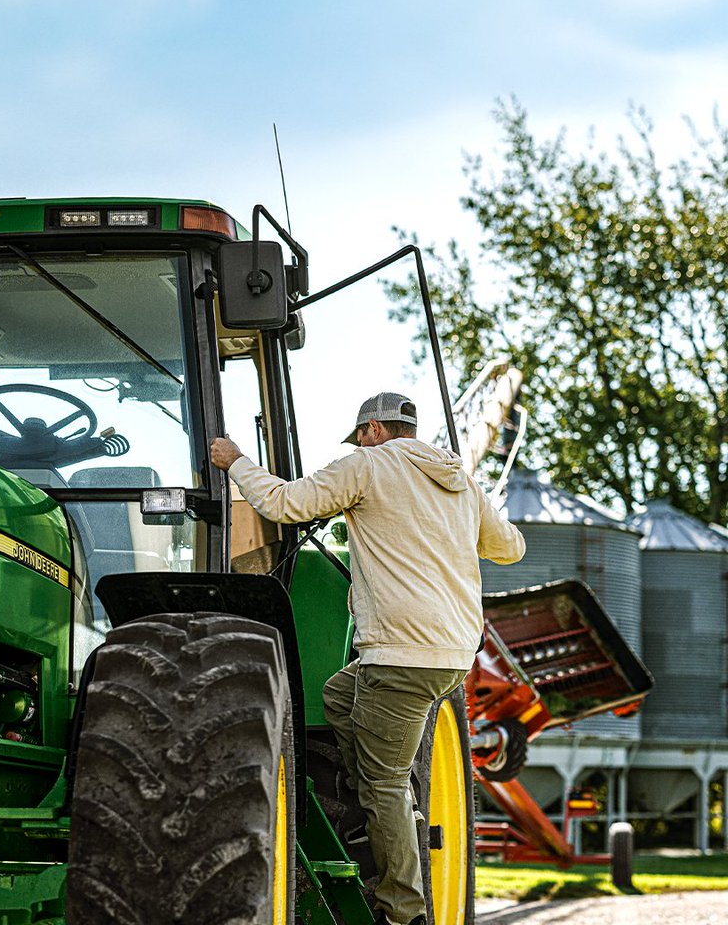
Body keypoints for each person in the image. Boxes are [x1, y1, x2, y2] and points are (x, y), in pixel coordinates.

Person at [210, 391, 525, 925]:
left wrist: (235, 460)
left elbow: (286, 504)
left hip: (400, 653)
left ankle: (405, 910)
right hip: (449, 654)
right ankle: (382, 810)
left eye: (360, 434)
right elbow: (510, 548)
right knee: (338, 693)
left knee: (386, 785)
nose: (359, 441)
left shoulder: (367, 465)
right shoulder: (461, 482)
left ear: (374, 430)